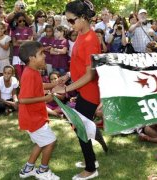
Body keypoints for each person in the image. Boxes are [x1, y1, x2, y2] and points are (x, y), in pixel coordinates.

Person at [53, 1, 107, 179]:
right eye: (67, 21)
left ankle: (91, 168)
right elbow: (80, 63)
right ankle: (91, 159)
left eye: (71, 20)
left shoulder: (91, 40)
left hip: (89, 92)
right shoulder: (81, 35)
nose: (69, 24)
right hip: (81, 89)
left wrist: (66, 88)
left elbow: (90, 75)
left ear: (84, 18)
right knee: (80, 127)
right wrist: (68, 75)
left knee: (80, 128)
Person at [18, 41, 59, 179]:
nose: (44, 56)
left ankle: (28, 169)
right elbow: (22, 100)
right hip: (32, 118)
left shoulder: (33, 71)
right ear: (31, 58)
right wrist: (45, 99)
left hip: (35, 116)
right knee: (50, 141)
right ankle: (43, 171)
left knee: (41, 142)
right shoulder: (29, 74)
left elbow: (39, 85)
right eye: (41, 53)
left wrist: (54, 84)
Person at [10, 12, 33, 80]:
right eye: (20, 21)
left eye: (23, 20)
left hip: (26, 54)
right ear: (16, 21)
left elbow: (30, 42)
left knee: (26, 71)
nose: (22, 22)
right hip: (17, 54)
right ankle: (21, 87)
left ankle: (26, 86)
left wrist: (20, 41)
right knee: (19, 72)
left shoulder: (29, 29)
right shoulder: (14, 30)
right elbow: (14, 44)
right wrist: (25, 41)